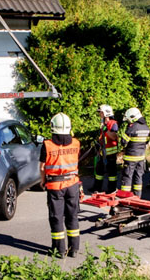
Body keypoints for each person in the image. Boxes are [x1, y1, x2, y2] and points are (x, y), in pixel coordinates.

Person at [40, 113, 82, 258]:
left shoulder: (47, 144)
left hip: (55, 186)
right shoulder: (76, 142)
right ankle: (74, 249)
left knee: (56, 217)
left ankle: (59, 250)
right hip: (73, 184)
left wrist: (42, 181)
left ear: (52, 127)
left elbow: (42, 167)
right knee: (72, 216)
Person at [118, 107, 150, 198]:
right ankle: (137, 197)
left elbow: (123, 142)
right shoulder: (146, 127)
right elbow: (147, 141)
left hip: (131, 157)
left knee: (127, 177)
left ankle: (124, 197)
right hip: (141, 157)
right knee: (138, 177)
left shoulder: (132, 127)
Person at [92, 104, 119, 193]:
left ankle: (111, 189)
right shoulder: (103, 123)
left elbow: (114, 136)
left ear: (106, 113)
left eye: (101, 112)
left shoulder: (113, 123)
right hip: (102, 151)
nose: (100, 114)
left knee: (111, 172)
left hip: (110, 153)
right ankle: (97, 188)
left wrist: (105, 129)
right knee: (99, 170)